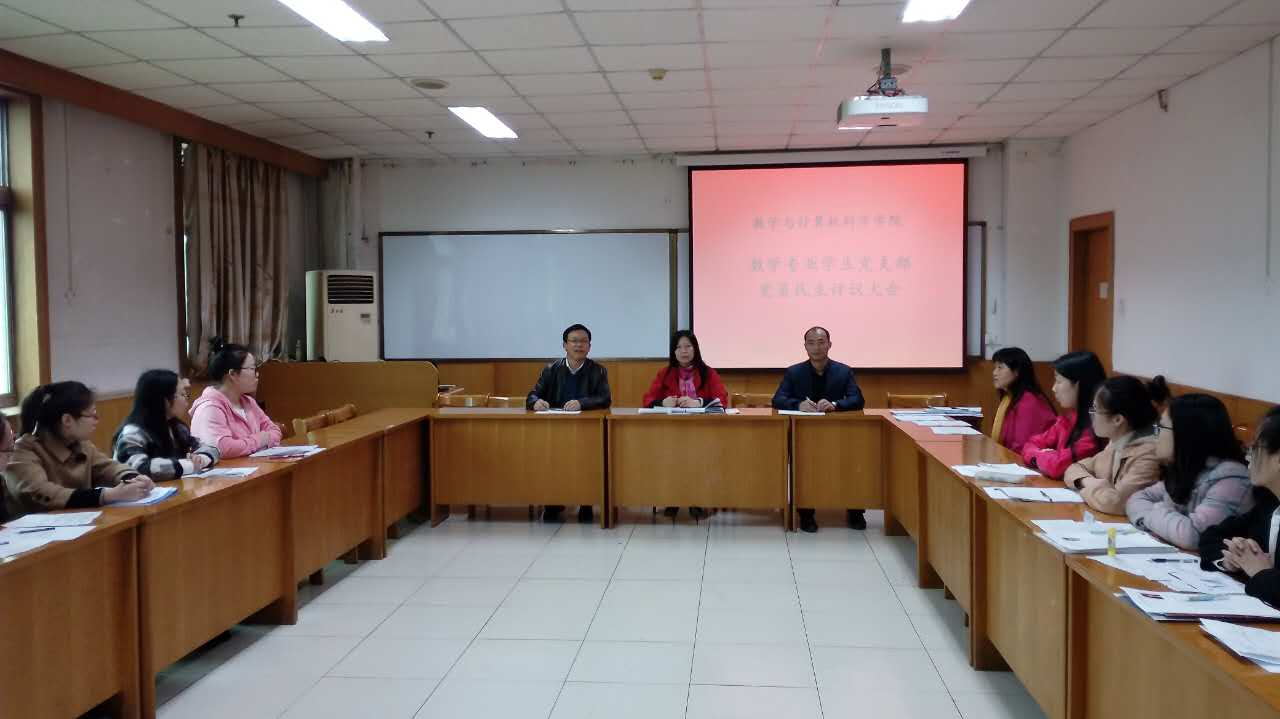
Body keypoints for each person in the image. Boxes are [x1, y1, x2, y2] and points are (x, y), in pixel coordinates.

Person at [2, 382, 155, 518]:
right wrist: (107, 495)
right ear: (67, 420)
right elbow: (40, 492)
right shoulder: (23, 450)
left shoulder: (81, 444)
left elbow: (108, 467)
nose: (97, 420)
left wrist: (133, 478)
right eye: (92, 414)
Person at [1126, 394, 1252, 550]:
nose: (1155, 436)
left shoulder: (1233, 478)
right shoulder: (1187, 467)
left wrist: (1156, 511)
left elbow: (1193, 536)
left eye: (1161, 428)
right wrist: (1162, 519)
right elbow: (1136, 499)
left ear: (1185, 433)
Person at [772, 326, 866, 533]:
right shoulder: (794, 372)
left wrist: (836, 405)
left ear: (829, 345)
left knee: (852, 463)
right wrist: (798, 405)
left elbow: (858, 399)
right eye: (811, 343)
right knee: (804, 465)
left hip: (840, 435)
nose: (816, 347)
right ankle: (806, 513)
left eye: (821, 342)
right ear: (805, 347)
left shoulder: (844, 371)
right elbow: (778, 399)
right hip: (804, 436)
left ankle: (855, 511)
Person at [526, 323, 612, 523]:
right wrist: (535, 402)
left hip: (586, 430)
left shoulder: (598, 371)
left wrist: (581, 403)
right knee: (552, 463)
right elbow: (532, 394)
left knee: (586, 462)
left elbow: (604, 398)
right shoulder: (551, 370)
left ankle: (586, 503)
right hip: (555, 430)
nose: (579, 345)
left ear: (589, 346)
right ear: (565, 345)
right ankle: (553, 502)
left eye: (583, 341)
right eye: (574, 341)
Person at [643, 330, 729, 520]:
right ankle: (672, 499)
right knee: (671, 456)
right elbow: (647, 399)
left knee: (698, 456)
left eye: (688, 346)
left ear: (695, 349)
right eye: (679, 347)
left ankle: (696, 500)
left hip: (703, 431)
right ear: (673, 351)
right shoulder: (664, 373)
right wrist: (662, 402)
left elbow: (722, 400)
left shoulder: (708, 373)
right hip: (671, 431)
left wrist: (698, 402)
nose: (684, 351)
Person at [1200, 407, 1280, 605]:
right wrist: (1232, 558)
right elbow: (1212, 536)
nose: (1247, 456)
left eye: (1255, 448)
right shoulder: (1270, 504)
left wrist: (1260, 572)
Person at [1062, 376, 1161, 514]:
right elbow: (1074, 468)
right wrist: (1087, 481)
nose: (1092, 415)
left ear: (1117, 419)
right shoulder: (1116, 442)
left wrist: (1083, 489)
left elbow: (1114, 503)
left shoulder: (1149, 454)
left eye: (1095, 409)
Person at [113, 369, 220, 480]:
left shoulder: (178, 428)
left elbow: (212, 449)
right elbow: (138, 468)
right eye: (182, 394)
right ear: (164, 400)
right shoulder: (132, 433)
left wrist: (200, 459)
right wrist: (189, 465)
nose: (186, 400)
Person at [190, 338, 282, 459]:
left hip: (253, 466)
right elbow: (224, 448)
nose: (257, 374)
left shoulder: (248, 402)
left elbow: (275, 431)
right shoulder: (210, 408)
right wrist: (260, 439)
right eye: (252, 369)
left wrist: (252, 442)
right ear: (232, 374)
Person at [1020, 351, 1106, 479]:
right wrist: (1043, 456)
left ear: (1079, 385)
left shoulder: (1097, 429)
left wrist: (1041, 456)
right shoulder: (1069, 418)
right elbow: (1031, 443)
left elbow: (1057, 466)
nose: (1054, 388)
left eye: (1059, 381)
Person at [989, 347, 1056, 454]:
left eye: (1000, 367)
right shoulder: (1008, 398)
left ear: (1016, 371)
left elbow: (1022, 446)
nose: (994, 373)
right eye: (995, 367)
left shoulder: (1029, 401)